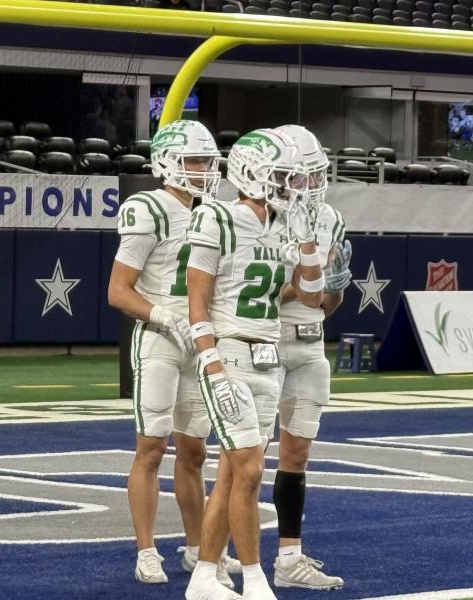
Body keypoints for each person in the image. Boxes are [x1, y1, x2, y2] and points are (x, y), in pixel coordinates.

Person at [184, 128, 323, 600]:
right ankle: (256, 579)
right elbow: (196, 301)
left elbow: (312, 297)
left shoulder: (286, 224)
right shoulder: (217, 218)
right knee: (248, 470)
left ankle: (204, 576)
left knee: (232, 470)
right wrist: (211, 364)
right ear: (252, 173)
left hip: (269, 355)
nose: (290, 185)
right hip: (229, 351)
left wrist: (308, 248)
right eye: (281, 176)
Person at [105, 119, 232, 587]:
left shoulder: (215, 211)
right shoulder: (149, 209)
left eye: (206, 161)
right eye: (193, 161)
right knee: (152, 447)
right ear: (166, 164)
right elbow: (118, 291)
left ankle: (199, 551)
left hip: (200, 340)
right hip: (160, 338)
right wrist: (165, 317)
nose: (202, 170)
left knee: (196, 451)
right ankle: (146, 549)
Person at [265, 124, 347, 591]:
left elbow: (324, 305)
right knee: (246, 456)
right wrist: (306, 283)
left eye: (315, 175)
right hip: (264, 339)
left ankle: (289, 557)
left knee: (296, 454)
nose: (309, 186)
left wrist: (333, 285)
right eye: (299, 176)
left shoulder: (329, 217)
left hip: (310, 342)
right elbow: (252, 295)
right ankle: (214, 555)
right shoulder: (253, 216)